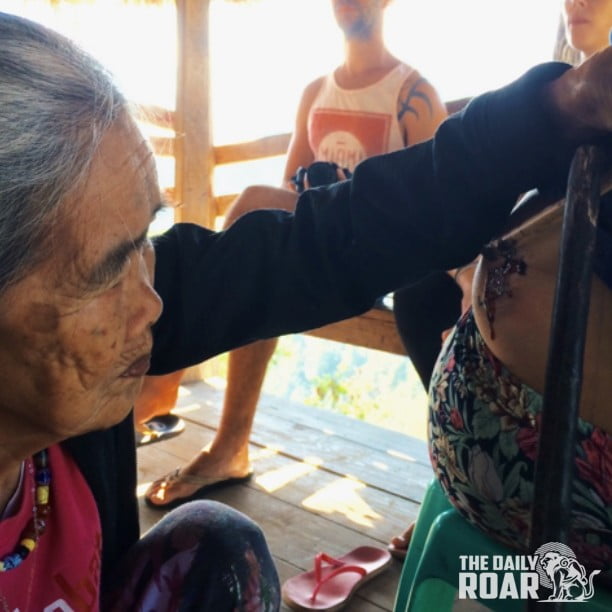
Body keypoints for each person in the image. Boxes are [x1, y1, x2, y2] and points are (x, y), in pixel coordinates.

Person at [1, 9, 612, 610]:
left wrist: (554, 110)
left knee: (217, 543)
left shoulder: (66, 429)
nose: (154, 302)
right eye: (110, 269)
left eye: (147, 244)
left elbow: (330, 242)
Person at [143, 0, 455, 510]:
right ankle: (228, 443)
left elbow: (439, 205)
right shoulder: (316, 92)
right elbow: (291, 187)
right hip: (324, 250)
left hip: (387, 258)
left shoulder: (413, 94)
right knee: (258, 228)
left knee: (251, 209)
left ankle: (168, 375)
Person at [387, 0, 612, 563]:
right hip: (493, 477)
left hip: (565, 517)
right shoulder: (566, 104)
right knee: (417, 291)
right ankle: (455, 521)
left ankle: (493, 566)